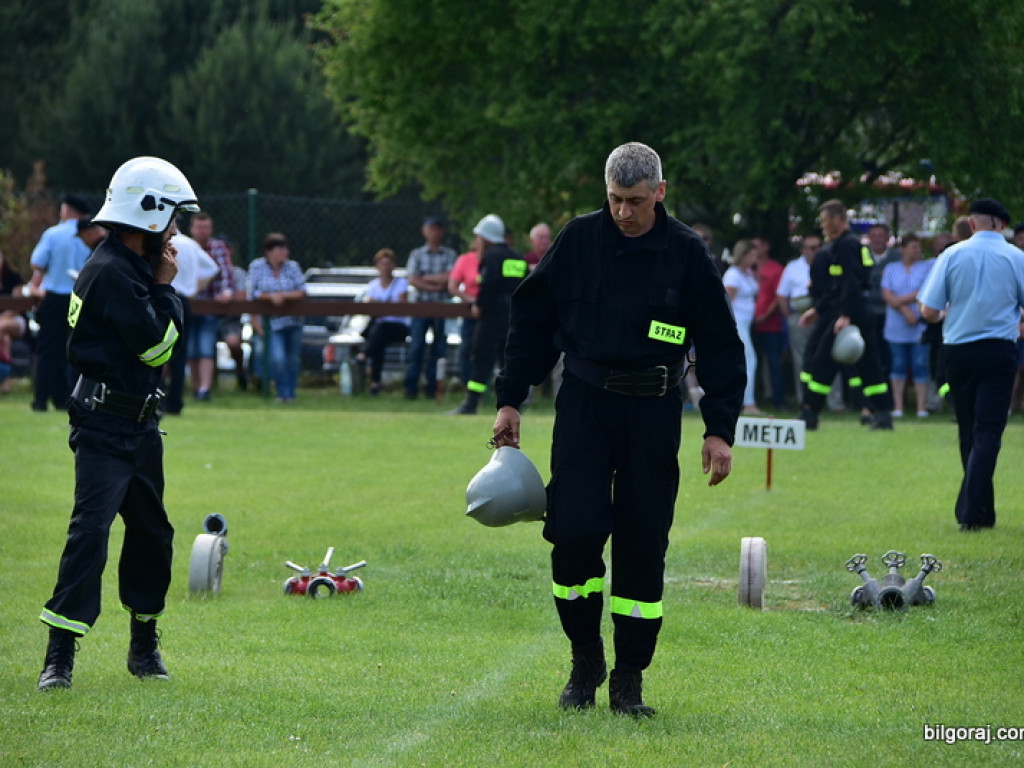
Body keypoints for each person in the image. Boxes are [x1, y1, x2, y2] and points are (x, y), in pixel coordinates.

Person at [491, 142, 745, 717]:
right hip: (583, 406)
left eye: (634, 201)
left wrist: (718, 428)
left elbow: (721, 343)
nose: (624, 213)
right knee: (573, 532)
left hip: (654, 413)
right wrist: (511, 398)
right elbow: (532, 319)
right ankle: (585, 660)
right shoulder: (579, 239)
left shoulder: (686, 253)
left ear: (660, 192)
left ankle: (629, 677)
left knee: (642, 541)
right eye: (614, 200)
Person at [37, 156, 199, 691]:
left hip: (140, 426)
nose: (176, 229)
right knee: (91, 533)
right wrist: (168, 288)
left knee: (153, 533)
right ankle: (58, 657)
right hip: (105, 427)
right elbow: (157, 347)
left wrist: (156, 285)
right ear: (149, 215)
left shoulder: (128, 267)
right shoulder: (112, 271)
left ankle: (144, 647)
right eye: (173, 218)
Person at [918, 198, 1024, 531]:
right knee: (988, 430)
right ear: (1002, 225)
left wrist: (951, 311)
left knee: (968, 430)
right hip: (999, 351)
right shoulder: (1016, 257)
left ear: (972, 223)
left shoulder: (951, 254)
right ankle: (972, 509)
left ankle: (978, 512)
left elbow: (928, 312)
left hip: (958, 351)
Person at [798, 199, 894, 430]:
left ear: (838, 219)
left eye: (825, 221)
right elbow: (837, 286)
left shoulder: (847, 245)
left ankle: (810, 412)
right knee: (869, 365)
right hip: (849, 311)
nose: (823, 226)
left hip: (848, 313)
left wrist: (846, 315)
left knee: (822, 361)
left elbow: (852, 282)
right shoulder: (843, 245)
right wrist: (818, 310)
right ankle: (883, 414)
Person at [452, 214, 527, 414]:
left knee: (480, 357)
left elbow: (490, 284)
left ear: (484, 237)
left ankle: (471, 403)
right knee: (508, 360)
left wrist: (479, 305)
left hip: (492, 316)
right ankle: (513, 403)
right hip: (513, 318)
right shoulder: (516, 256)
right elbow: (520, 286)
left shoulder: (490, 256)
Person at [26, 194, 93, 411]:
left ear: (66, 210)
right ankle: (69, 396)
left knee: (47, 350)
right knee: (74, 350)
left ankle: (41, 399)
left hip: (54, 296)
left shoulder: (53, 234)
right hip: (81, 298)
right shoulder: (92, 233)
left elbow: (37, 262)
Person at [403, 216, 457, 399]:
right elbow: (412, 279)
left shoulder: (450, 254)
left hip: (443, 307)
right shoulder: (416, 254)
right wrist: (436, 284)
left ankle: (433, 387)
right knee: (416, 346)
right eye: (431, 228)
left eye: (437, 228)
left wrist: (425, 278)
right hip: (421, 307)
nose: (435, 232)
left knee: (439, 348)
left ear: (442, 231)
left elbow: (451, 277)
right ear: (424, 231)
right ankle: (411, 387)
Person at [165, 229, 218, 414]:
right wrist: (193, 287)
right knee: (179, 352)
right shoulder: (190, 244)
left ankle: (159, 395)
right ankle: (175, 401)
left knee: (158, 349)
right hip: (184, 300)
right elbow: (212, 268)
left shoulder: (161, 241)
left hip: (164, 296)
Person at [248, 233, 306, 402]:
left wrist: (284, 296)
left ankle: (291, 393)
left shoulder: (293, 267)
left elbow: (302, 290)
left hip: (293, 321)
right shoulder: (257, 266)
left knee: (293, 360)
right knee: (278, 358)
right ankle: (282, 392)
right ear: (269, 251)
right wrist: (270, 297)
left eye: (285, 248)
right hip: (271, 323)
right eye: (280, 249)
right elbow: (253, 292)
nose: (284, 252)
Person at [880, 233, 933, 418]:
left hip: (919, 326)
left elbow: (924, 291)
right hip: (896, 326)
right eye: (913, 247)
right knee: (898, 364)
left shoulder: (926, 267)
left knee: (920, 364)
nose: (917, 251)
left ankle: (921, 407)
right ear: (902, 249)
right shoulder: (891, 269)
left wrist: (899, 301)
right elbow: (886, 293)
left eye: (918, 247)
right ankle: (898, 406)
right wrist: (905, 310)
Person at [187, 212, 237, 400]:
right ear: (192, 229)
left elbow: (226, 274)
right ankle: (196, 385)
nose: (202, 231)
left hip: (209, 305)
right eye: (199, 227)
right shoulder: (185, 246)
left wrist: (226, 292)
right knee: (191, 348)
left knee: (206, 346)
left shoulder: (218, 248)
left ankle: (204, 389)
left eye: (206, 227)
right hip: (188, 305)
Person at [356, 248, 409, 395]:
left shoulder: (401, 283)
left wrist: (382, 308)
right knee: (378, 341)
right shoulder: (373, 285)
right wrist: (389, 307)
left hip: (398, 327)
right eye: (382, 264)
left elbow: (401, 307)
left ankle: (364, 355)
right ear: (377, 266)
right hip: (379, 329)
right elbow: (372, 310)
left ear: (394, 266)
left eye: (388, 263)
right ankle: (375, 383)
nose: (385, 267)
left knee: (380, 330)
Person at [777, 233, 821, 407]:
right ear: (803, 250)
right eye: (812, 248)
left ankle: (834, 402)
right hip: (799, 316)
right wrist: (789, 316)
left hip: (822, 315)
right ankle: (805, 400)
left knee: (827, 357)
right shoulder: (793, 267)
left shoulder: (829, 262)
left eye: (818, 247)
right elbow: (781, 294)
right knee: (801, 360)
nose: (816, 251)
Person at [723, 239, 762, 414]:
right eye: (752, 254)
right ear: (744, 255)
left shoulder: (747, 273)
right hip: (737, 322)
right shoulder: (733, 275)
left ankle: (746, 401)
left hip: (746, 322)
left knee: (746, 361)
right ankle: (749, 403)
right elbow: (727, 303)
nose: (756, 258)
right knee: (750, 360)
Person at [752, 235, 785, 409]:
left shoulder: (776, 269)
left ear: (766, 247)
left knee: (774, 364)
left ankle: (778, 401)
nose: (753, 250)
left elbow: (778, 296)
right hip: (750, 325)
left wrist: (764, 316)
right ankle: (752, 399)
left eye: (756, 246)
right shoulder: (747, 269)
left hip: (771, 325)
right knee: (750, 362)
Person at [448, 245, 480, 387]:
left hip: (492, 313)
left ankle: (488, 389)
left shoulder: (495, 258)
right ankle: (469, 388)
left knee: (488, 351)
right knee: (466, 349)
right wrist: (472, 300)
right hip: (470, 312)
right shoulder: (465, 260)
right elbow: (453, 286)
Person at [1, 248, 26, 393]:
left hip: (14, 319)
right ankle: (6, 379)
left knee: (1, 327)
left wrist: (4, 316)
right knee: (5, 337)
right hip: (3, 327)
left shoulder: (13, 278)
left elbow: (18, 306)